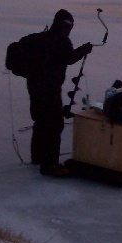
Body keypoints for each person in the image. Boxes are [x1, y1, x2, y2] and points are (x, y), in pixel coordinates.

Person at [27, 9, 92, 178]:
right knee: (54, 125)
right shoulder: (61, 39)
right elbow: (68, 58)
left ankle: (37, 157)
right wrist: (84, 50)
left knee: (40, 121)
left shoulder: (43, 37)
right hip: (49, 89)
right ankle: (50, 165)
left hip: (34, 86)